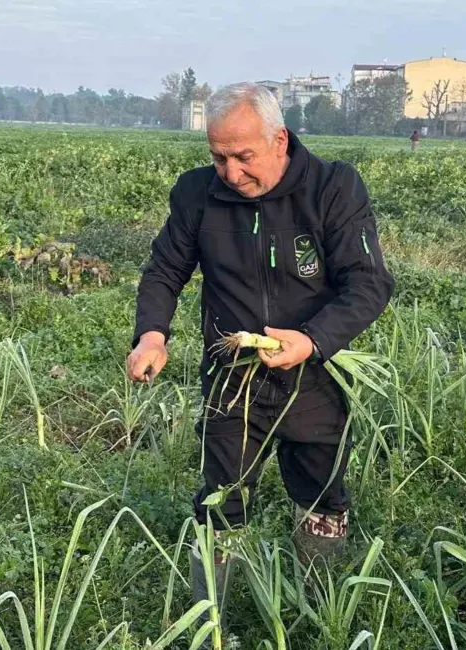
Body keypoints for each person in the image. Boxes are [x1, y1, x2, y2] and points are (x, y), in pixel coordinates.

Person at [126, 83, 394, 628]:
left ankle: (319, 615)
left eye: (243, 156)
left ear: (279, 140)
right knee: (220, 500)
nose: (230, 172)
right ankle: (209, 623)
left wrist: (312, 341)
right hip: (233, 379)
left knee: (322, 497)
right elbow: (164, 270)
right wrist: (152, 334)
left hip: (315, 376)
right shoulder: (196, 194)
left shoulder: (332, 188)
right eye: (218, 157)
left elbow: (368, 283)